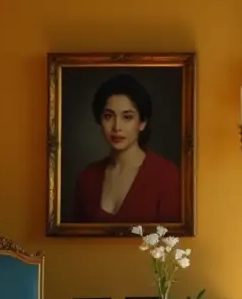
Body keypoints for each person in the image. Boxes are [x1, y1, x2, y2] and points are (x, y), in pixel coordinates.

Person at [73, 74, 182, 224]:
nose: (117, 127)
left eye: (127, 117)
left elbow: (174, 241)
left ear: (142, 123)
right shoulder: (87, 178)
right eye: (108, 116)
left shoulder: (167, 176)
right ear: (100, 121)